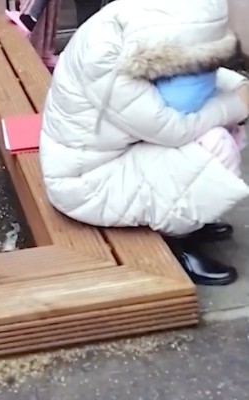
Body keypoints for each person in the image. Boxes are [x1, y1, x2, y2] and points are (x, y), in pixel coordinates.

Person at [39, 0, 249, 285]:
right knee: (214, 144)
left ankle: (190, 215)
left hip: (113, 153)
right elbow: (170, 128)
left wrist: (236, 88)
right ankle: (179, 240)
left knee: (217, 125)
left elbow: (194, 70)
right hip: (87, 183)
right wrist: (235, 104)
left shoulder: (130, 25)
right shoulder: (105, 59)